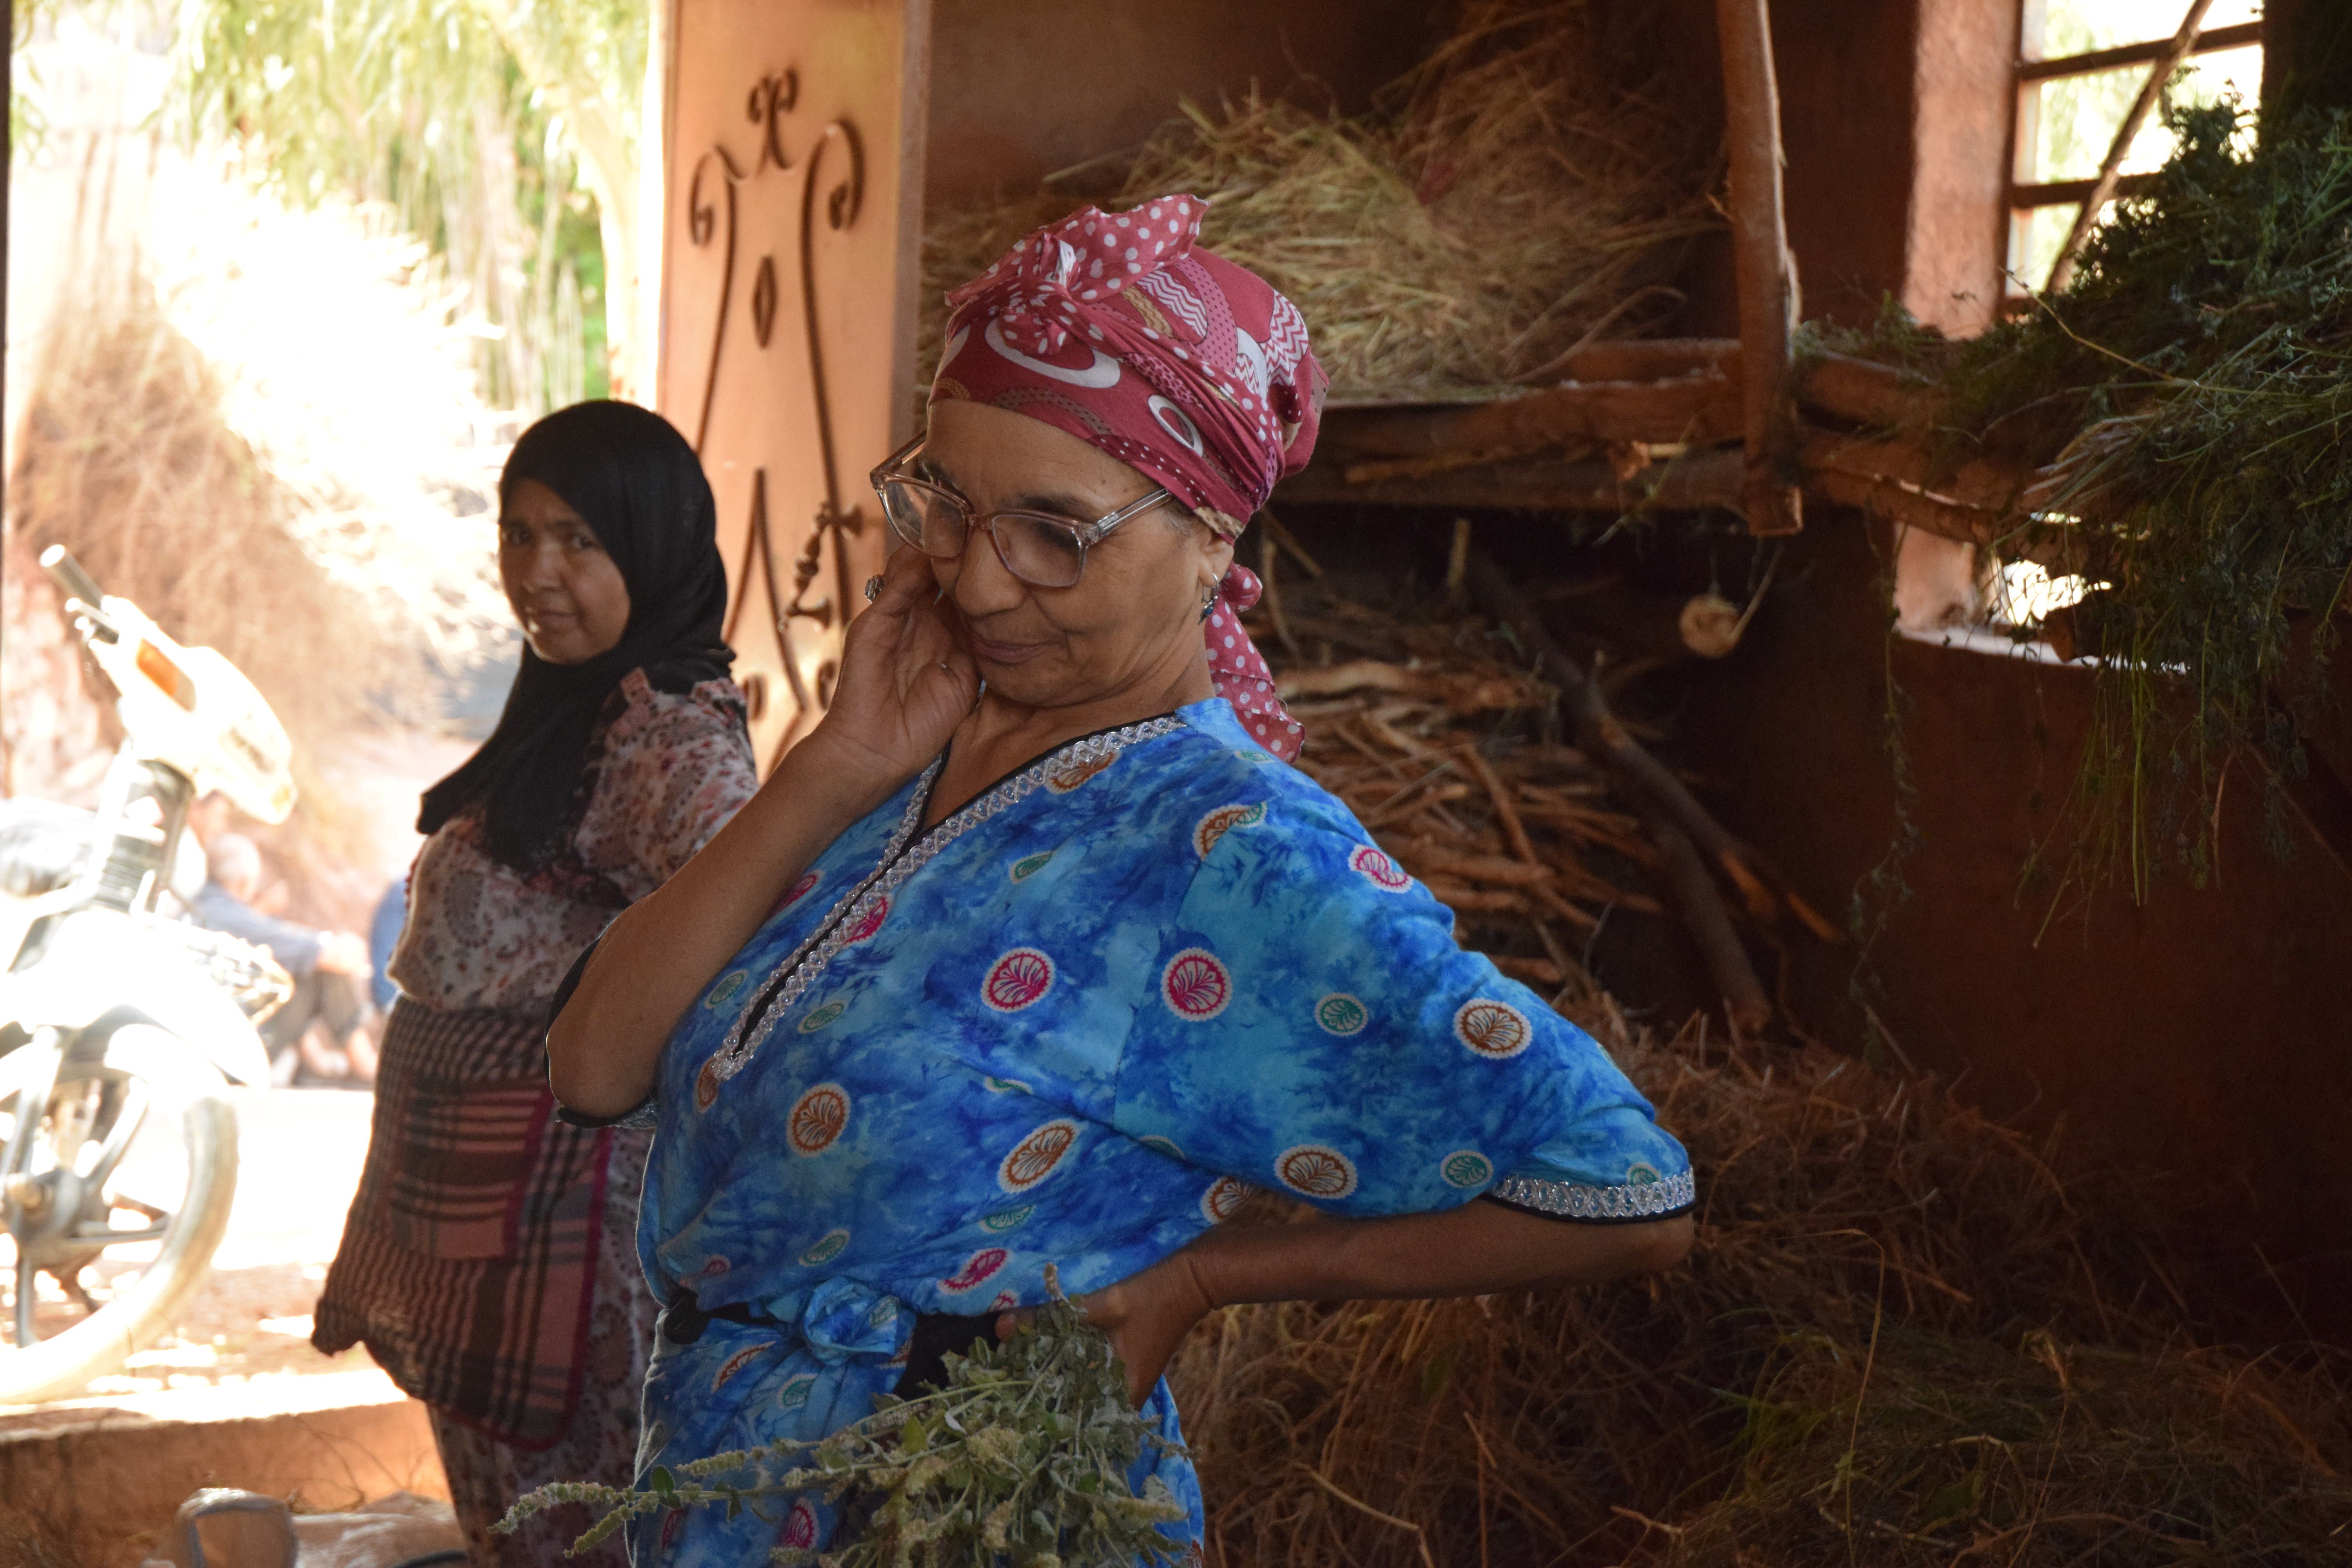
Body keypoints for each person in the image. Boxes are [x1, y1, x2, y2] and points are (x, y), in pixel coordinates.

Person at [549, 197, 1695, 1566]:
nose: (980, 585)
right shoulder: (902, 761)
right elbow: (594, 1066)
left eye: (1056, 531)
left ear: (1211, 539)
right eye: (948, 507)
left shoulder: (1231, 850)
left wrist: (1204, 1279)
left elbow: (1626, 1188)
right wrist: (832, 769)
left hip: (959, 1520)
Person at [313, 401, 760, 1568]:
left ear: (652, 544)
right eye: (519, 534)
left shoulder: (671, 734)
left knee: (574, 1527)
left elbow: (742, 942)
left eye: (579, 540)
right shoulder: (575, 711)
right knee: (514, 1526)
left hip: (575, 1232)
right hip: (492, 1209)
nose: (537, 572)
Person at [190, 832, 377, 1085]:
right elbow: (331, 954)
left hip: (214, 1038)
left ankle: (315, 1066)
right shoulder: (227, 915)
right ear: (245, 882)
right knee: (324, 971)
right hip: (231, 1050)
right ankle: (363, 1064)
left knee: (297, 970)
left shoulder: (203, 906)